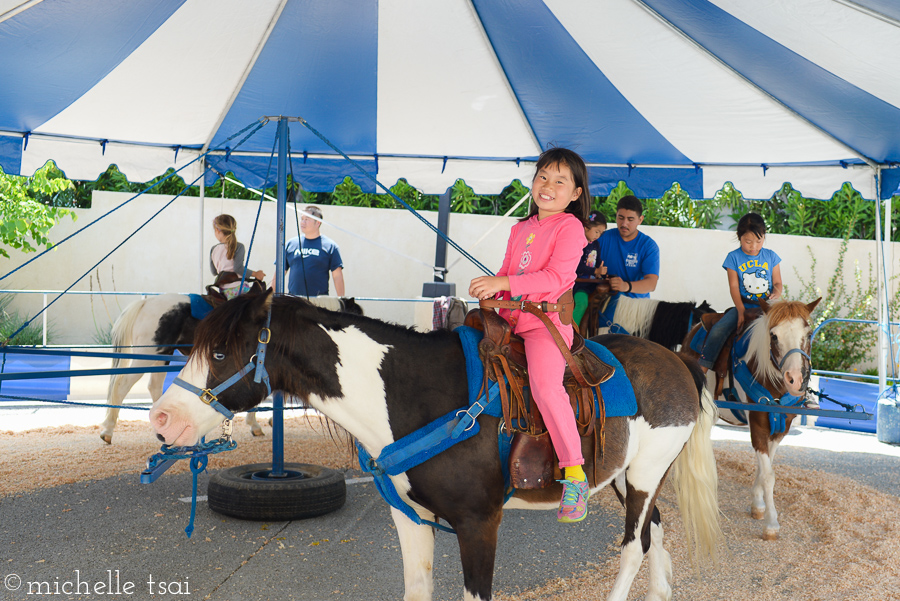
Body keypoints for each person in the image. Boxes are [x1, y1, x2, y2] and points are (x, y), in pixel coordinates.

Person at [469, 147, 592, 523]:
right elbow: (507, 273)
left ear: (575, 193)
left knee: (544, 386)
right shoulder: (519, 228)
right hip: (513, 322)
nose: (547, 186)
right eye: (542, 177)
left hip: (546, 326)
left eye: (559, 181)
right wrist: (491, 294)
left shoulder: (570, 228)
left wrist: (503, 281)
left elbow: (555, 279)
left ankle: (574, 474)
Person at [699, 212, 783, 373]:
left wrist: (776, 294)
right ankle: (703, 365)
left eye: (759, 241)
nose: (754, 247)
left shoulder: (771, 256)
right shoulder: (733, 258)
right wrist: (740, 310)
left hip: (768, 305)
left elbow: (778, 283)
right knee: (719, 329)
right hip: (743, 304)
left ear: (764, 236)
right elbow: (734, 287)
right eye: (748, 241)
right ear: (739, 238)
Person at [597, 195, 659, 298]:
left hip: (636, 308)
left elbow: (651, 284)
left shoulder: (649, 246)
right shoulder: (602, 239)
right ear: (616, 215)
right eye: (620, 218)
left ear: (640, 220)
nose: (624, 224)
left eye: (630, 219)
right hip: (605, 305)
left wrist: (625, 286)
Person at [283, 205, 345, 297]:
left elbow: (337, 276)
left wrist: (342, 300)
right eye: (302, 219)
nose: (302, 222)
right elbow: (279, 273)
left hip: (318, 304)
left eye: (307, 219)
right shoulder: (290, 244)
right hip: (294, 302)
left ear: (318, 223)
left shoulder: (330, 246)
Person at [209, 214, 266, 300]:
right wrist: (256, 274)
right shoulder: (239, 246)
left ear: (217, 230)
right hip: (239, 288)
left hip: (224, 291)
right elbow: (238, 268)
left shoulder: (213, 249)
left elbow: (214, 272)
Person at [573, 211, 608, 327]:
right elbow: (577, 266)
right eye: (596, 232)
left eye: (600, 233)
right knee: (581, 304)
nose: (598, 236)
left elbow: (598, 262)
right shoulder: (577, 242)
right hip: (578, 285)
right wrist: (595, 271)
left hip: (591, 284)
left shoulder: (596, 244)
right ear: (586, 227)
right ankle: (572, 331)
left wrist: (601, 273)